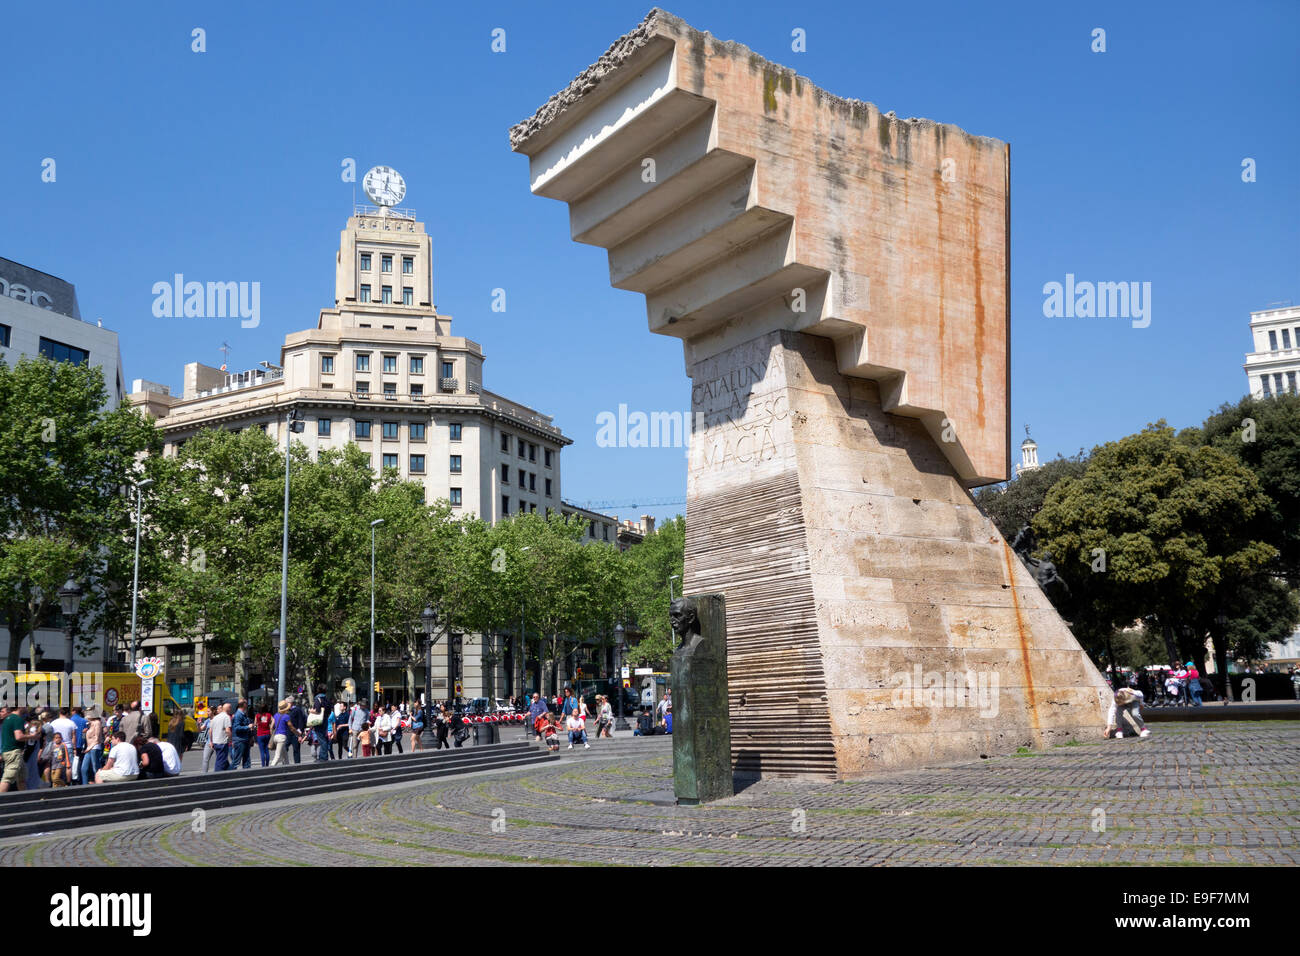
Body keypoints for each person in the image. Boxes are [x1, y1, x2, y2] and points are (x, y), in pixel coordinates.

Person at [0, 706, 31, 793]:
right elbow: (19, 736)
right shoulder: (17, 719)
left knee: (22, 777)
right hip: (14, 752)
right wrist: (33, 736)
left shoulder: (7, 719)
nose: (26, 707)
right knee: (8, 777)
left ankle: (24, 799)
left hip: (11, 752)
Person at [80, 709, 104, 786]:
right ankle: (84, 786)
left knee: (95, 768)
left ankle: (99, 785)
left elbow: (97, 738)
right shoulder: (89, 724)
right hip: (89, 748)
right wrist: (85, 732)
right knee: (84, 768)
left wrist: (89, 748)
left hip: (94, 748)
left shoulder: (97, 723)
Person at [270, 700, 296, 766]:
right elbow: (291, 727)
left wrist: (272, 735)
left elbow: (271, 726)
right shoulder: (286, 716)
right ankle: (270, 769)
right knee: (277, 756)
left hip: (275, 736)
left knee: (285, 755)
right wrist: (297, 733)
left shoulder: (276, 715)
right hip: (281, 737)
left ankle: (287, 767)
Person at [208, 702, 233, 772]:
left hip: (216, 742)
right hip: (222, 742)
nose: (231, 709)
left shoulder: (215, 718)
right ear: (228, 709)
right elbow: (228, 731)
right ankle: (217, 776)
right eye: (230, 707)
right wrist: (231, 740)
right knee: (220, 761)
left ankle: (228, 773)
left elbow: (210, 731)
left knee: (222, 759)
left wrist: (211, 741)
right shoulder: (226, 717)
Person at [231, 699, 253, 770]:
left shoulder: (242, 714)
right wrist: (248, 727)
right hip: (240, 740)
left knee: (247, 761)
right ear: (244, 705)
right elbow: (236, 728)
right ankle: (229, 776)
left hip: (244, 739)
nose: (247, 705)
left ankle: (247, 776)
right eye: (246, 704)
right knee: (236, 761)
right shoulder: (238, 715)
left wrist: (250, 734)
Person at [311, 688, 331, 762]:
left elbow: (317, 710)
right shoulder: (326, 699)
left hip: (318, 721)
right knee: (323, 738)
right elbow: (329, 710)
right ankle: (324, 756)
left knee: (321, 739)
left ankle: (323, 757)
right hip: (325, 720)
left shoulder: (317, 699)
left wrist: (311, 711)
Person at [287, 696, 306, 763]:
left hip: (296, 733)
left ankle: (297, 765)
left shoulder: (297, 710)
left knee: (296, 750)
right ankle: (285, 763)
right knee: (284, 748)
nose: (286, 704)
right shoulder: (287, 711)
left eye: (287, 703)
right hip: (288, 733)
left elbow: (301, 722)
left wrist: (299, 735)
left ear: (291, 703)